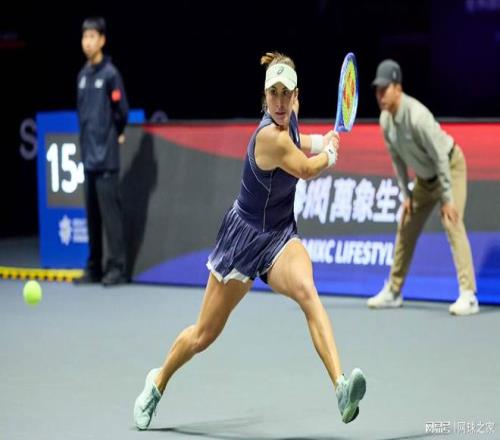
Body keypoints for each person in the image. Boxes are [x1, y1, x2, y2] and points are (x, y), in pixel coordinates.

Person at [133, 52, 366, 430]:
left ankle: (340, 387)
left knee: (308, 292)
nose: (279, 101)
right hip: (242, 241)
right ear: (265, 96)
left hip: (279, 236)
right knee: (203, 335)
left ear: (296, 97)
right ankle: (157, 383)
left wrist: (318, 139)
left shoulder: (288, 121)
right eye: (273, 93)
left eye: (286, 93)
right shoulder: (268, 137)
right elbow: (306, 169)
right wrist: (329, 153)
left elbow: (299, 140)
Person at [368, 59, 478, 316]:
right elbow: (397, 160)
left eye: (385, 89)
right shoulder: (385, 121)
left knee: (452, 221)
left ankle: (468, 295)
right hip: (424, 180)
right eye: (377, 90)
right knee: (406, 223)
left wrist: (447, 198)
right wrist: (406, 194)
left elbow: (440, 157)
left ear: (398, 88)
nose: (380, 95)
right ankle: (394, 291)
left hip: (450, 166)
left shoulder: (418, 117)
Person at [74, 17, 129, 286]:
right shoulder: (82, 76)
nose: (88, 42)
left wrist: (115, 133)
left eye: (92, 37)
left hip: (106, 158)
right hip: (88, 159)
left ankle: (117, 268)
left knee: (110, 217)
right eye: (85, 37)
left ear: (102, 40)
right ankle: (94, 267)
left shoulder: (110, 74)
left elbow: (121, 112)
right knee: (92, 217)